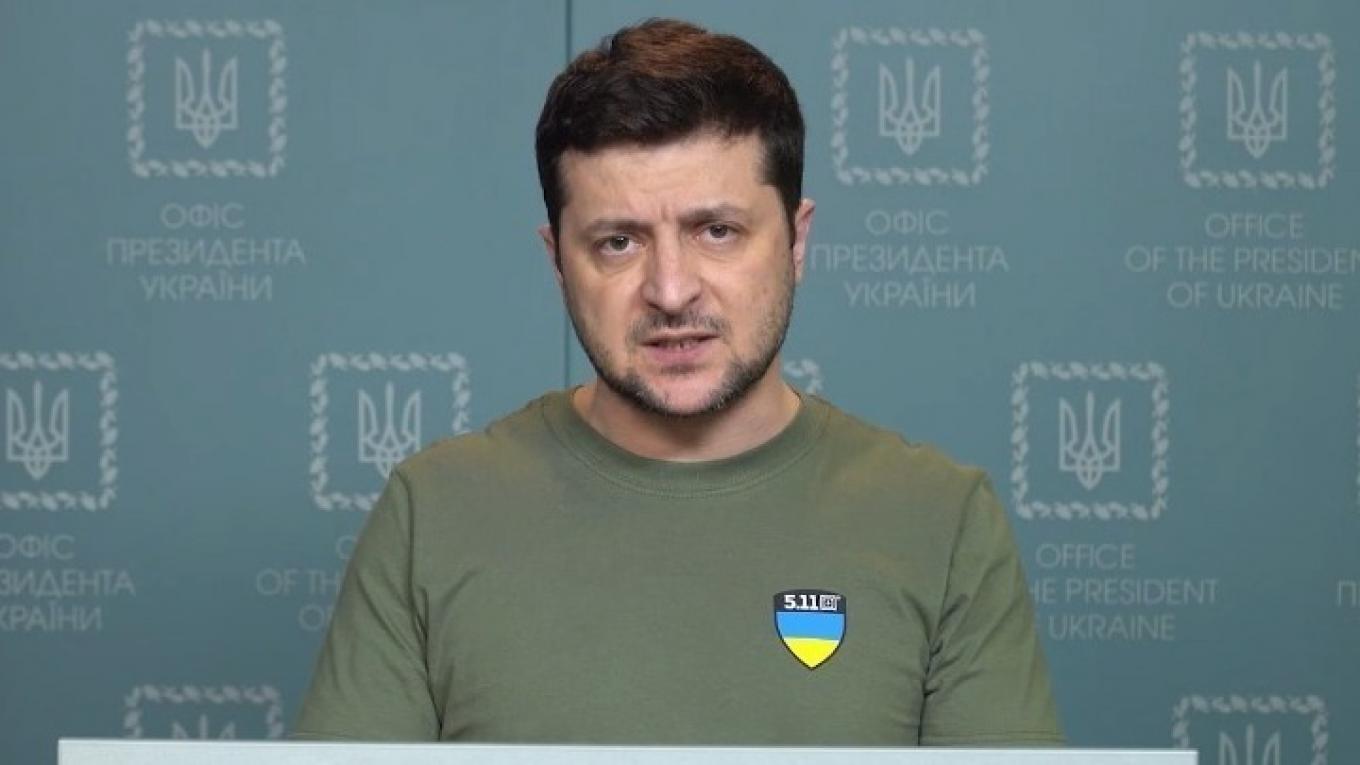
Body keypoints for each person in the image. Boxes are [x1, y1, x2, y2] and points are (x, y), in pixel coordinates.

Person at [294, 18, 1062, 746]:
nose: (670, 290)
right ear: (557, 260)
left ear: (796, 241)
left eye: (716, 231)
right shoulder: (432, 513)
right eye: (618, 243)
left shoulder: (943, 522)